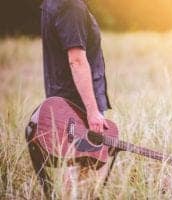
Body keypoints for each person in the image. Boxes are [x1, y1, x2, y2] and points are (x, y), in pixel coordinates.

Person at [34, 0, 114, 198]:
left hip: (66, 102)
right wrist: (93, 111)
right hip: (78, 105)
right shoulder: (71, 7)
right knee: (85, 173)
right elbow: (76, 60)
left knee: (76, 170)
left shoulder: (54, 3)